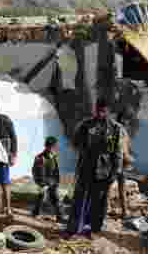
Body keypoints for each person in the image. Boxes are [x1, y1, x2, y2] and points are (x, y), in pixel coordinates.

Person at [64, 97, 128, 238]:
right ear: (95, 109)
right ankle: (74, 228)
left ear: (108, 111)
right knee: (80, 199)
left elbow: (118, 153)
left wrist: (115, 172)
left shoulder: (115, 129)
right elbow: (75, 142)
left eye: (103, 111)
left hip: (104, 171)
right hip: (86, 167)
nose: (100, 114)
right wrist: (83, 143)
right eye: (98, 110)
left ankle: (91, 229)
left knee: (98, 203)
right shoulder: (86, 125)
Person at [31, 136, 64, 223]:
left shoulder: (53, 156)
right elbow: (36, 172)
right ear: (47, 146)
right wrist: (42, 184)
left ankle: (60, 216)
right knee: (41, 197)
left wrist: (56, 181)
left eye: (54, 147)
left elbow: (56, 170)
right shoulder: (40, 158)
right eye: (52, 146)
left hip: (52, 181)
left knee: (55, 198)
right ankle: (35, 212)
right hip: (43, 182)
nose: (54, 148)